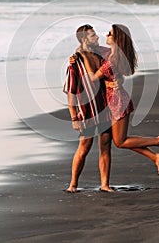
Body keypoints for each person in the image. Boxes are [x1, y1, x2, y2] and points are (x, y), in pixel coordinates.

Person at [78, 24, 159, 176]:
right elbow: (92, 49)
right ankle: (154, 157)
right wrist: (79, 51)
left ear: (116, 39)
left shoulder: (113, 59)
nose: (106, 35)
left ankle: (157, 141)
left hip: (118, 102)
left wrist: (83, 57)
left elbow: (93, 78)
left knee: (120, 142)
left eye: (110, 33)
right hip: (113, 100)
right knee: (121, 140)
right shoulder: (110, 52)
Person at [63, 24, 115, 193]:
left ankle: (105, 184)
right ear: (85, 39)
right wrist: (73, 117)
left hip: (105, 108)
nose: (97, 37)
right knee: (84, 147)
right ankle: (73, 184)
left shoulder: (102, 54)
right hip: (86, 111)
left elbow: (117, 55)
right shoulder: (75, 62)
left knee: (106, 146)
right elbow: (71, 92)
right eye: (93, 36)